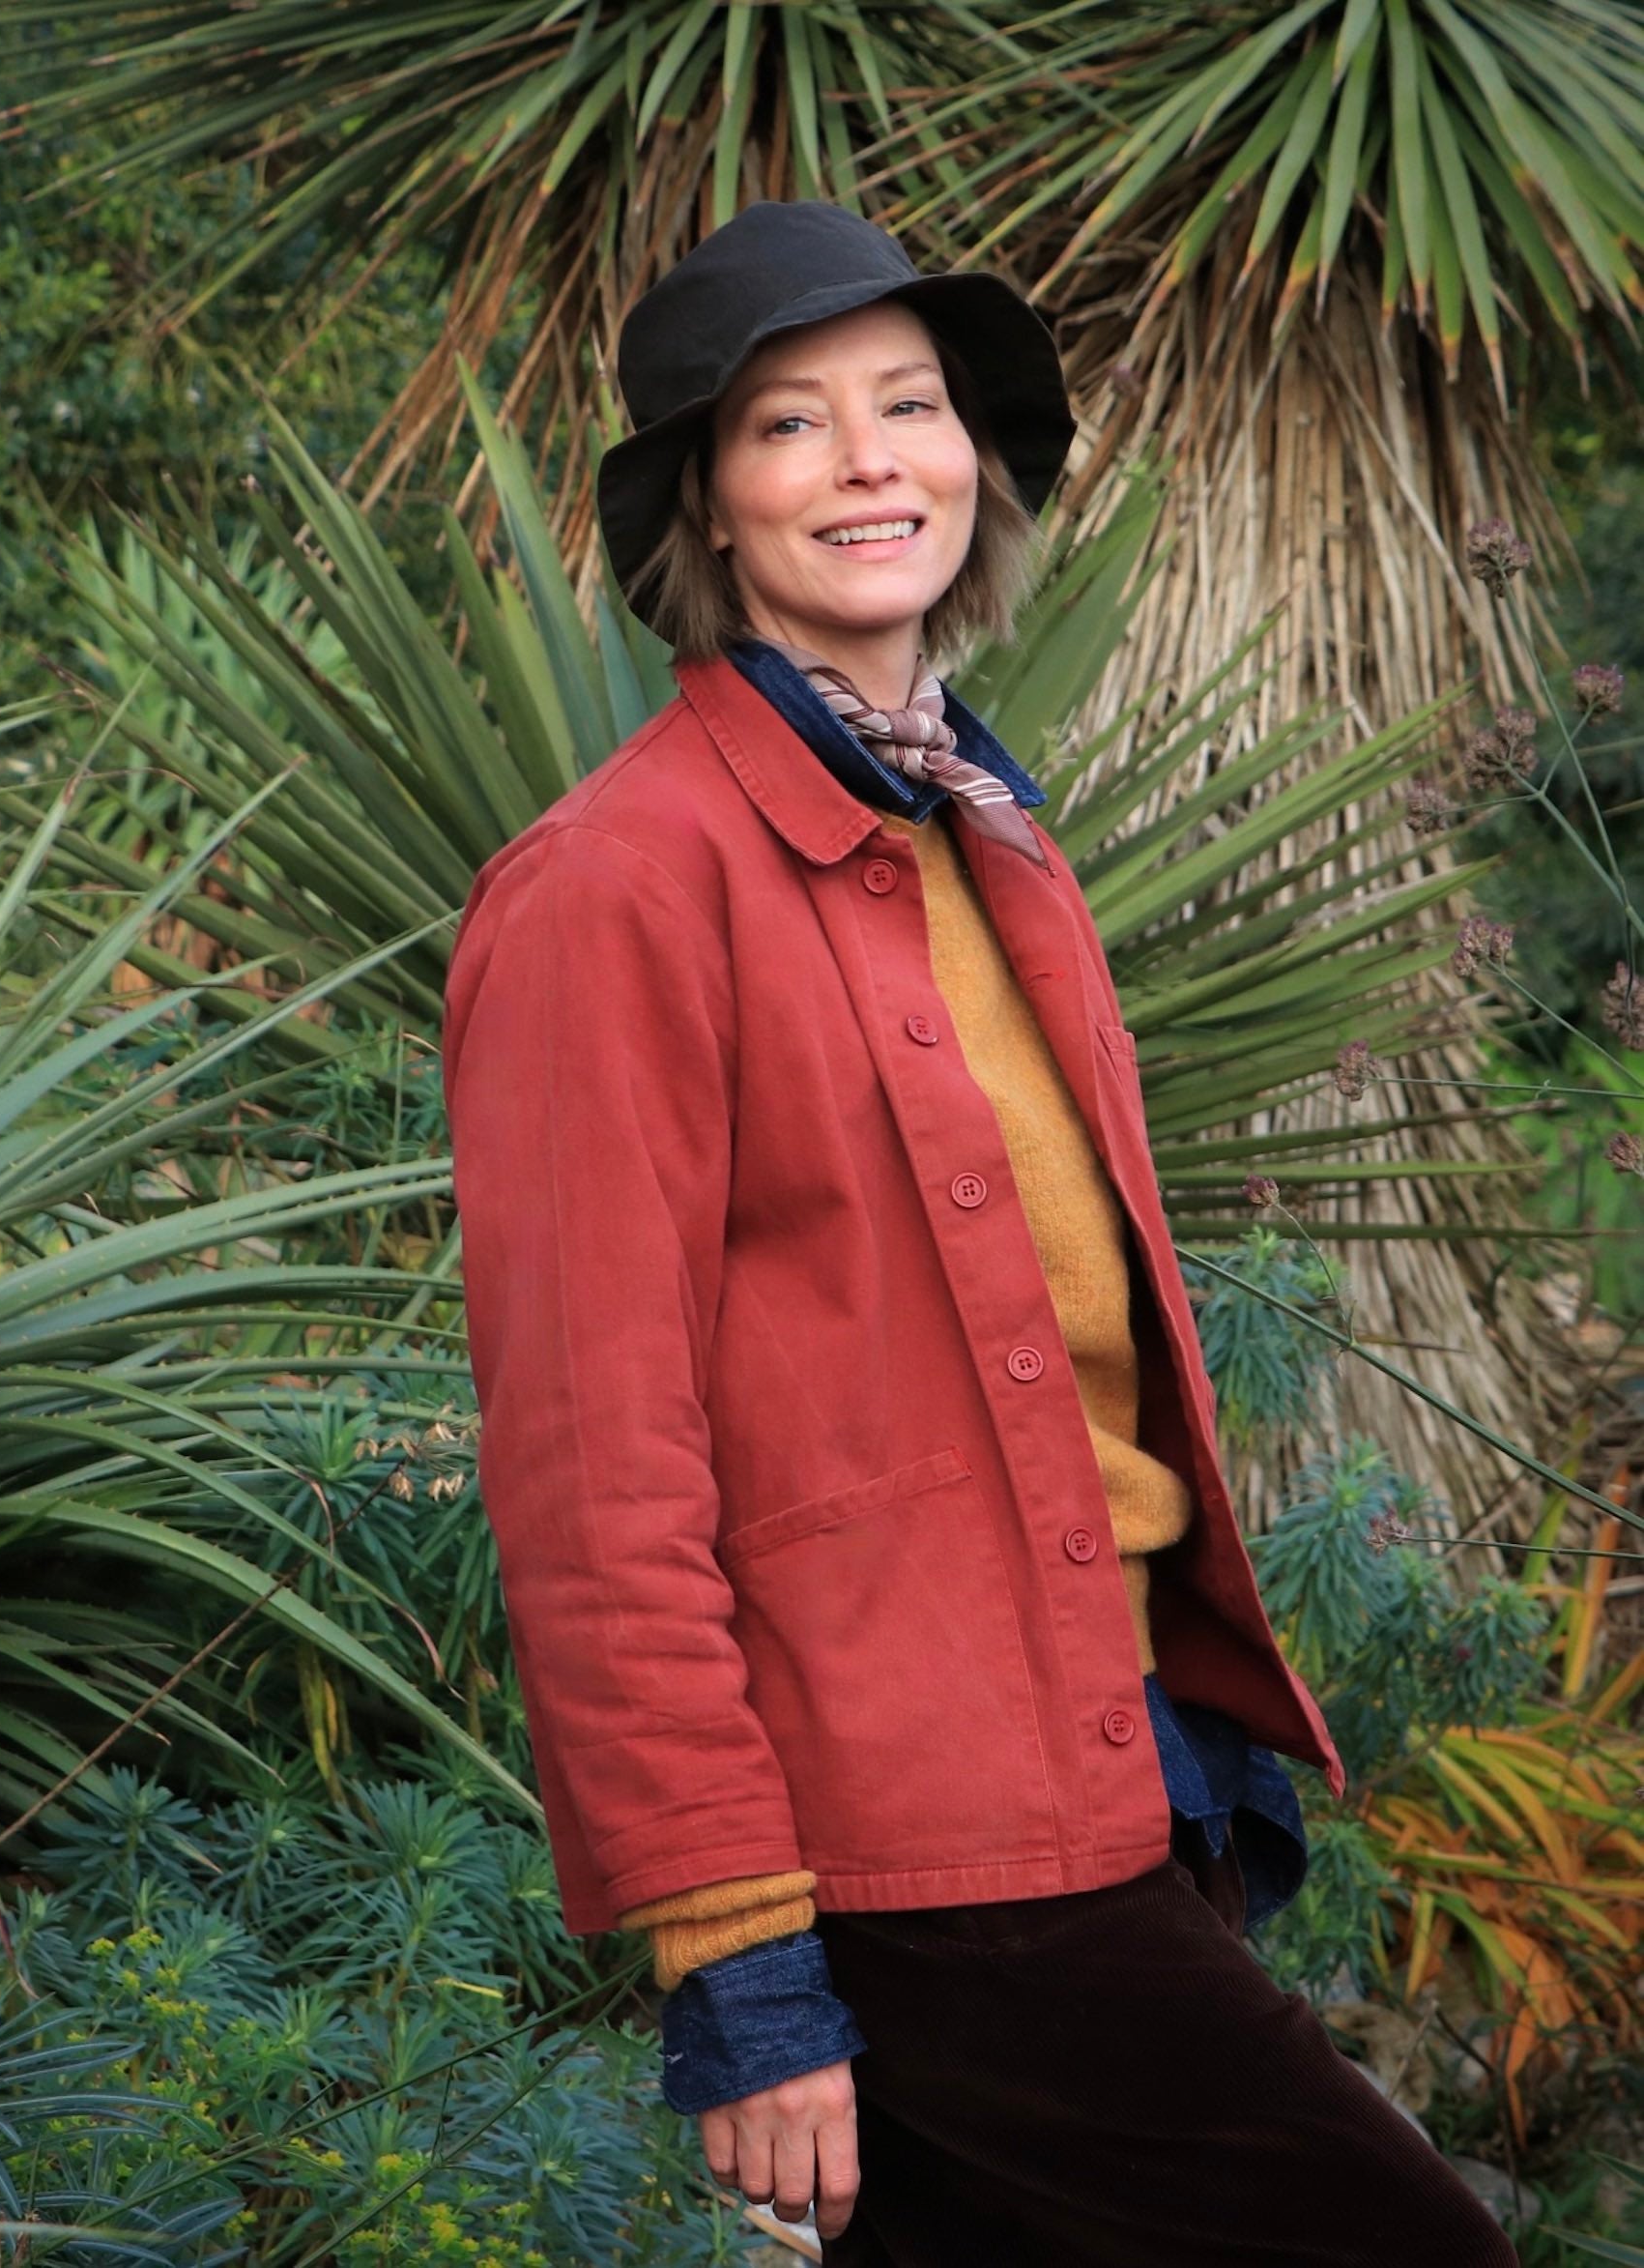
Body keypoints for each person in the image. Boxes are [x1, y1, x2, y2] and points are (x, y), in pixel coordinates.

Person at [439, 201, 1515, 2266]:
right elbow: (593, 1469)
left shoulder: (975, 834)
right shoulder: (614, 887)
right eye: (786, 425)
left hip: (1109, 1756)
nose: (867, 462)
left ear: (973, 463)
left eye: (908, 408)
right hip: (912, 1839)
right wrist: (737, 1962)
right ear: (710, 509)